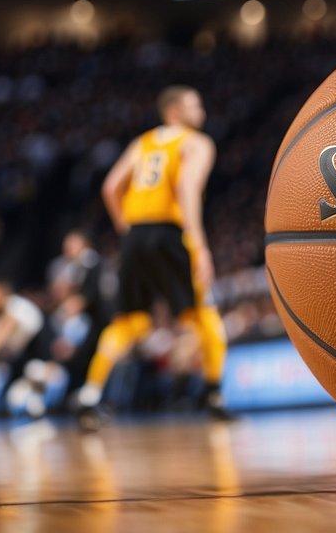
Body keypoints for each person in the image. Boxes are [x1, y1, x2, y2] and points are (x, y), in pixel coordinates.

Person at [73, 86, 230, 430]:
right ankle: (214, 395)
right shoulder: (197, 142)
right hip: (170, 234)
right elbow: (187, 188)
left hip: (135, 236)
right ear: (173, 112)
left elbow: (110, 186)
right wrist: (199, 244)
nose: (201, 110)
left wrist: (126, 230)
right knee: (203, 315)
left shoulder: (142, 143)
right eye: (194, 104)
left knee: (128, 323)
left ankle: (88, 395)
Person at [46, 230, 110, 392]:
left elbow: (91, 294)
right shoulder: (70, 266)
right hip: (80, 318)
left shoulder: (91, 261)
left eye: (72, 244)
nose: (68, 249)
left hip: (96, 320)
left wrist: (79, 302)